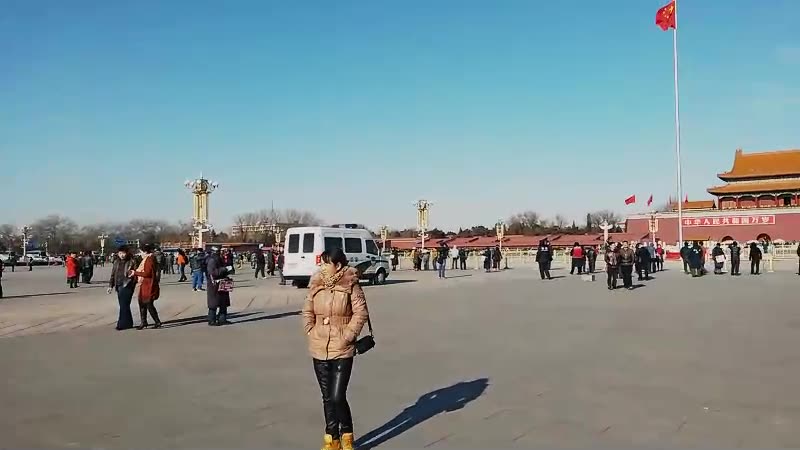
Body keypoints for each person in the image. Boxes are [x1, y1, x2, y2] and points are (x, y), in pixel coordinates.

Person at [301, 249, 369, 450]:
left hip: (342, 348)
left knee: (338, 396)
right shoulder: (316, 283)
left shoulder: (351, 284)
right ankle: (332, 439)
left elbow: (360, 313)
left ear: (338, 265)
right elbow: (307, 310)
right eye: (321, 263)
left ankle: (347, 434)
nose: (322, 267)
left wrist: (347, 336)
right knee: (327, 397)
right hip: (319, 346)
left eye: (326, 263)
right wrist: (310, 330)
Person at [132, 244, 162, 329]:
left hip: (148, 284)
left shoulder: (149, 259)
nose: (140, 254)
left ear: (145, 252)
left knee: (148, 304)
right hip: (145, 284)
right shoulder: (149, 258)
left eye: (141, 252)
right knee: (142, 303)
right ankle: (144, 322)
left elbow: (147, 273)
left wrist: (135, 273)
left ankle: (157, 321)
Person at [107, 245, 137, 330]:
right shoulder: (116, 262)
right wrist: (110, 286)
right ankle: (128, 323)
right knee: (124, 305)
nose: (122, 255)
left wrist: (132, 282)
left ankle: (122, 324)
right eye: (120, 253)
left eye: (123, 253)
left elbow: (135, 274)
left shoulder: (132, 261)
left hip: (127, 285)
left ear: (127, 253)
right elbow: (113, 274)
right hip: (118, 285)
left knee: (124, 305)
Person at [206, 247, 232, 326]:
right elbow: (213, 272)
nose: (222, 252)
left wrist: (229, 270)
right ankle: (212, 320)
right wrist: (224, 269)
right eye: (221, 251)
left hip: (222, 282)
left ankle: (222, 319)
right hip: (214, 284)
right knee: (214, 303)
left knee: (223, 302)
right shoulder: (212, 260)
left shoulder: (220, 259)